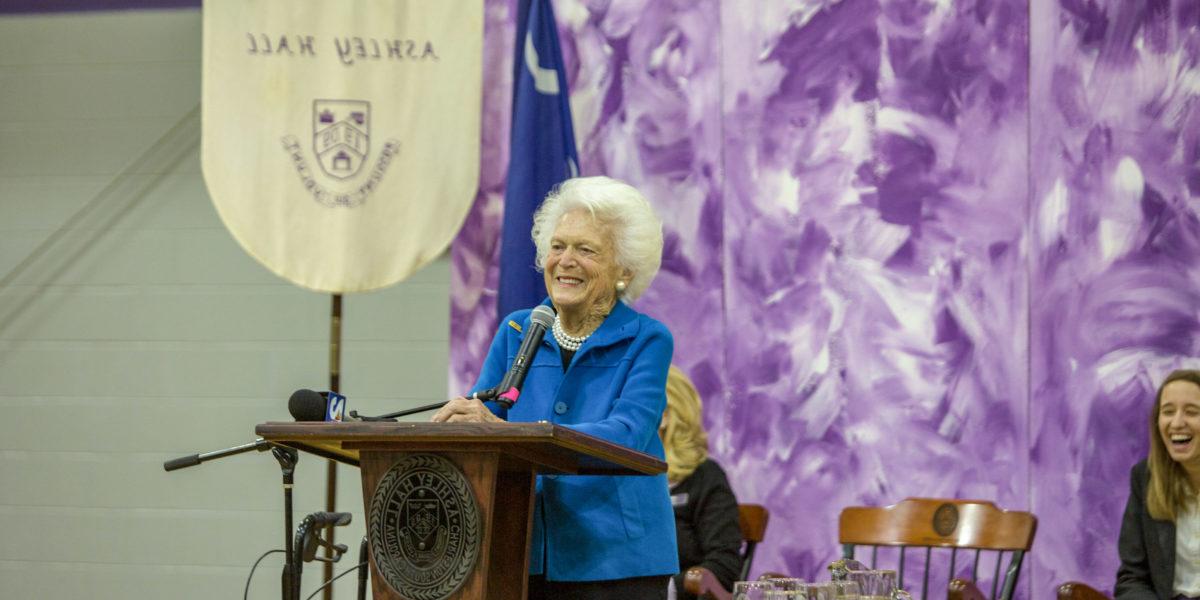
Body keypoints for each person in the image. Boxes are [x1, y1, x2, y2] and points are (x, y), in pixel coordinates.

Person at [432, 175, 678, 599]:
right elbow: (484, 421)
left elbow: (628, 433)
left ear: (624, 270)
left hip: (616, 558)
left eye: (586, 250)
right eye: (558, 246)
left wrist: (518, 435)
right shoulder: (517, 329)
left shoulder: (648, 339)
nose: (565, 260)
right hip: (521, 548)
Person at [660, 365, 743, 599]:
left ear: (666, 415)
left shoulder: (705, 477)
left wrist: (665, 589)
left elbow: (724, 564)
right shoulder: (612, 476)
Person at [1116, 369, 1200, 600]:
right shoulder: (1144, 478)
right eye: (1168, 412)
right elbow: (1132, 579)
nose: (1177, 422)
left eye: (1192, 412)